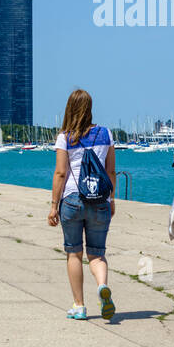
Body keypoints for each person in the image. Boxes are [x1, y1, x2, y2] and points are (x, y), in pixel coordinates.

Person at [48, 89, 117, 321]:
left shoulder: (65, 137)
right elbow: (110, 171)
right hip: (100, 200)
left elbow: (60, 173)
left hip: (72, 200)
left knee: (74, 253)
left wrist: (53, 205)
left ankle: (79, 306)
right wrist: (112, 199)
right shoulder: (106, 133)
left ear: (69, 108)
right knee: (97, 254)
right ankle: (102, 286)